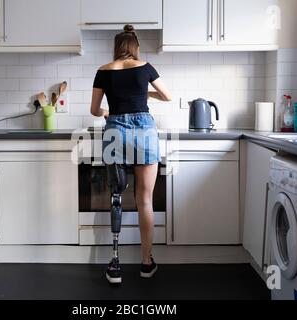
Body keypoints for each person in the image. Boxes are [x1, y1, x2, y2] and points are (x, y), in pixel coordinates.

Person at [90, 24, 172, 284]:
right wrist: (142, 92)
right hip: (145, 131)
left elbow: (94, 109)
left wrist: (107, 113)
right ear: (135, 47)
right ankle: (146, 263)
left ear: (116, 47)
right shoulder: (146, 67)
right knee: (144, 200)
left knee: (116, 196)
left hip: (116, 132)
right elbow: (167, 96)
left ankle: (114, 263)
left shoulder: (103, 71)